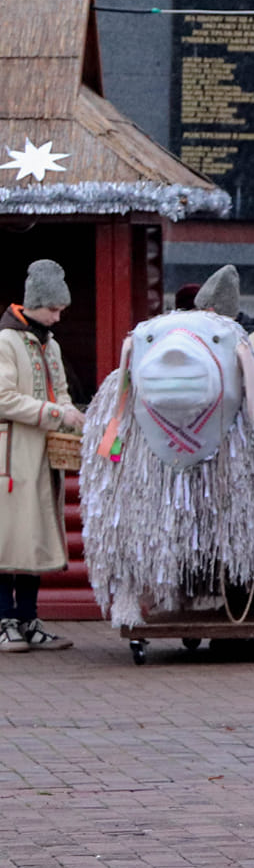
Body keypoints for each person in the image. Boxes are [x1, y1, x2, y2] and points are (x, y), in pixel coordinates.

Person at [0, 261, 84, 653]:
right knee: (8, 538)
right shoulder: (5, 342)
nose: (58, 315)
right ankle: (4, 620)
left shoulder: (51, 345)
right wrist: (54, 413)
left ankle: (28, 619)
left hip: (42, 454)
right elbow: (3, 398)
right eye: (53, 308)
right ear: (35, 304)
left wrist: (71, 415)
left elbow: (61, 391)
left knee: (35, 538)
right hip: (11, 453)